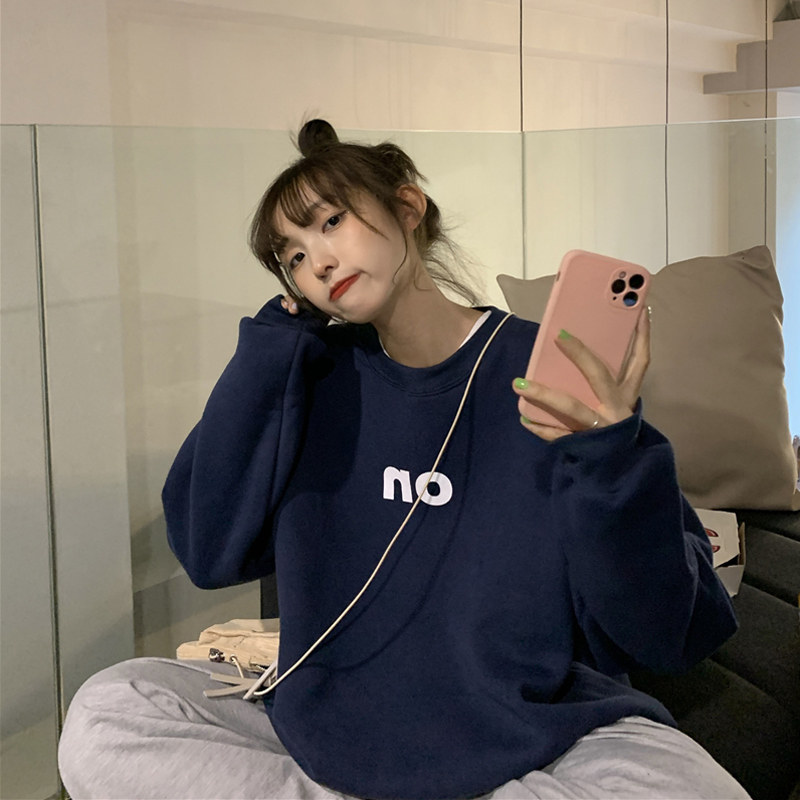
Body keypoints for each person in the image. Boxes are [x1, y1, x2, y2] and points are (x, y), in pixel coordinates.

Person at [58, 119, 748, 800]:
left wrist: (613, 454)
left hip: (527, 730)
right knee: (107, 715)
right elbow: (208, 552)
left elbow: (672, 635)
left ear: (408, 207)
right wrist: (272, 344)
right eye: (292, 256)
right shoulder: (310, 374)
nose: (317, 262)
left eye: (330, 222)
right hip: (324, 724)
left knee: (691, 789)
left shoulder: (544, 371)